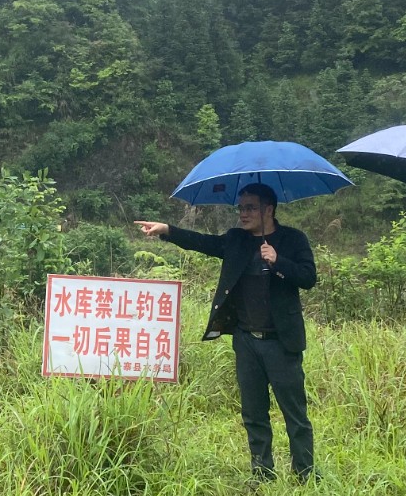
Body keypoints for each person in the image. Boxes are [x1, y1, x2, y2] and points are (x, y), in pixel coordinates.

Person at [135, 183, 317, 481]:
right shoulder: (236, 240)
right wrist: (167, 229)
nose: (243, 214)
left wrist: (278, 261)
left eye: (250, 208)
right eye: (240, 208)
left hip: (281, 343)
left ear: (268, 210)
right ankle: (262, 474)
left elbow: (309, 278)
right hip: (246, 341)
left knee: (294, 414)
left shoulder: (293, 239)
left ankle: (306, 474)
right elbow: (202, 242)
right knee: (253, 414)